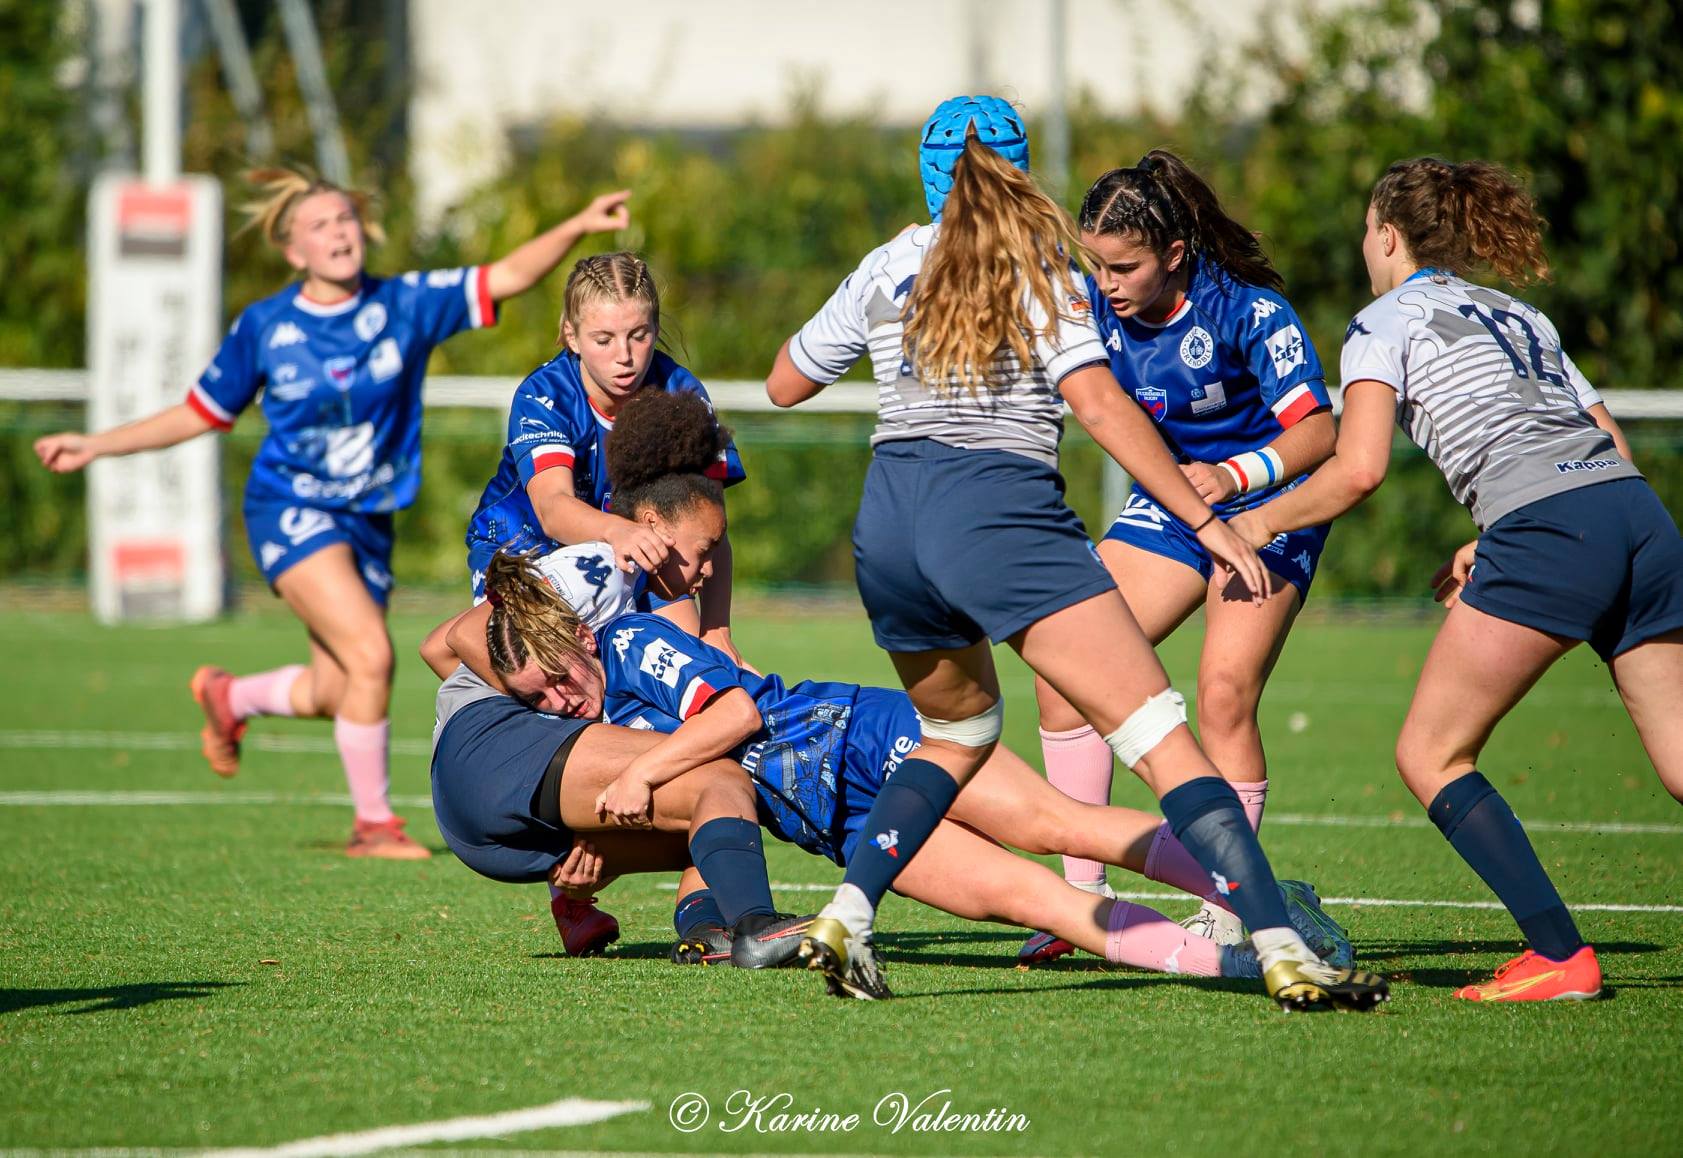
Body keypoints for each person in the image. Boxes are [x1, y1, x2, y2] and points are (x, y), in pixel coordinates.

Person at [763, 96, 1386, 1009]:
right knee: (1160, 738)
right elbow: (1098, 407)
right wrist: (1211, 524)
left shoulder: (889, 261)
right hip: (995, 516)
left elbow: (784, 382)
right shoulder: (1047, 268)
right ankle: (1280, 943)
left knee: (959, 732)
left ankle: (848, 916)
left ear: (926, 174)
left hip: (887, 521)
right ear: (1020, 172)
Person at [430, 391, 1358, 987]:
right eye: (539, 696)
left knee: (1057, 826)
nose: (555, 703)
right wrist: (606, 825)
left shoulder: (629, 634)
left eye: (554, 682)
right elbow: (481, 652)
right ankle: (1248, 968)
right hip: (831, 822)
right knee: (1028, 901)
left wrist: (639, 781)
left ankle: (1270, 901)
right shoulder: (585, 636)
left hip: (862, 737)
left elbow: (737, 714)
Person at [34, 166, 632, 859]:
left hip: (366, 522)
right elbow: (200, 412)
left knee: (338, 684)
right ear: (293, 250)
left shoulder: (403, 303)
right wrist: (97, 443)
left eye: (345, 218)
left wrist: (577, 226)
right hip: (290, 511)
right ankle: (373, 824)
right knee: (372, 654)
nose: (339, 232)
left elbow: (502, 277)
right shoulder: (266, 325)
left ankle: (234, 697)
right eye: (320, 225)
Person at [1228, 157, 1676, 1002]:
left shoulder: (1380, 321)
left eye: (1366, 230)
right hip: (1633, 515)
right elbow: (1605, 446)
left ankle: (1558, 956)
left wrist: (1253, 522)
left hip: (1552, 528)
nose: (1365, 245)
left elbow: (1356, 469)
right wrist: (1499, 535)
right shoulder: (1520, 312)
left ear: (1386, 234)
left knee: (1429, 753)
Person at [1022, 151, 1337, 963]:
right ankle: (1080, 901)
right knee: (1066, 667)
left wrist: (1233, 478)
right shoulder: (1090, 306)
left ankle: (1237, 902)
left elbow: (1317, 433)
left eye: (1123, 266)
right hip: (1172, 507)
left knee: (1223, 691)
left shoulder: (1249, 312)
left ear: (1173, 253)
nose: (1106, 282)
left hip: (1266, 509)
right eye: (1095, 263)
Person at [424, 549, 812, 970]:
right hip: (491, 745)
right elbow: (445, 641)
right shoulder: (594, 574)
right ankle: (757, 928)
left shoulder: (627, 612)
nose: (559, 702)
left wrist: (583, 881)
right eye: (538, 693)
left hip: (481, 834)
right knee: (717, 776)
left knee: (712, 824)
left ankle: (707, 931)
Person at [463, 252, 746, 660]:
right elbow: (553, 509)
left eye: (639, 334)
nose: (625, 355)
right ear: (571, 335)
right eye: (603, 339)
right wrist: (619, 531)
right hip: (524, 549)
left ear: (656, 328)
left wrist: (716, 630)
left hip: (631, 553)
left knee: (694, 661)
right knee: (552, 678)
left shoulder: (681, 397)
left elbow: (709, 527)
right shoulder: (545, 396)